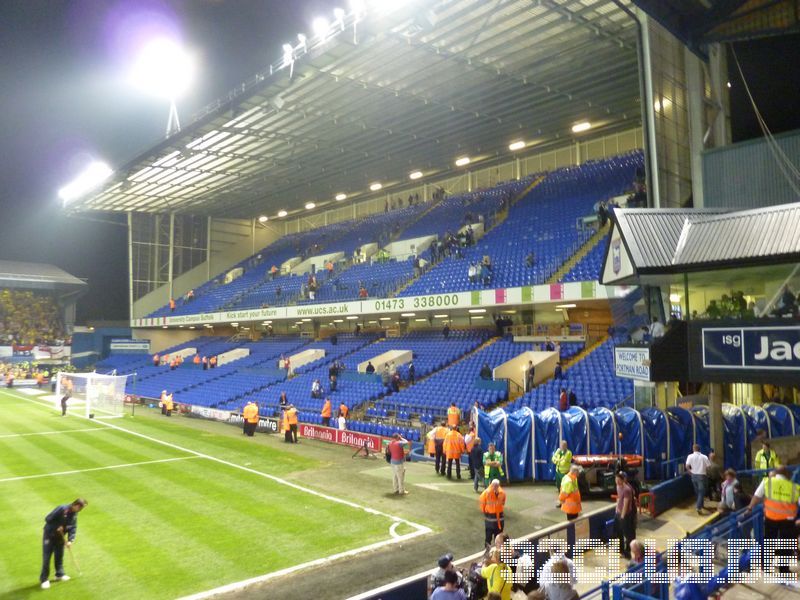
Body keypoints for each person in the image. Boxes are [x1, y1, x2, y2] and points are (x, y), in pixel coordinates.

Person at [745, 467, 800, 572]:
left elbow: (756, 496)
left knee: (769, 542)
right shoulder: (795, 487)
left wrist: (749, 508)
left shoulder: (767, 482)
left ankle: (765, 566)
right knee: (786, 545)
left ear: (776, 474)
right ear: (787, 475)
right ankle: (784, 570)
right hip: (788, 521)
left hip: (771, 518)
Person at [40, 499, 88, 589]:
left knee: (59, 556)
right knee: (46, 558)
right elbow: (48, 519)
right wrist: (57, 526)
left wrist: (70, 540)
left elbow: (73, 527)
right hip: (49, 536)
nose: (80, 510)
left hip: (60, 537)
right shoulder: (62, 508)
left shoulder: (74, 514)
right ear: (75, 504)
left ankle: (59, 574)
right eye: (80, 507)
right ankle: (44, 579)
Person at [614, 472, 636, 559]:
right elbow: (619, 499)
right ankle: (621, 550)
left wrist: (622, 516)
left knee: (628, 534)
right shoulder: (618, 487)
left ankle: (628, 553)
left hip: (626, 515)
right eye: (616, 479)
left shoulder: (627, 489)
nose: (617, 481)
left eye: (619, 480)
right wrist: (616, 510)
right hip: (618, 513)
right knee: (618, 533)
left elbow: (626, 504)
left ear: (624, 480)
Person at [480, 480, 507, 547]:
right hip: (490, 519)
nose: (495, 487)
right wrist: (485, 511)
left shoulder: (502, 493)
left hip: (499, 520)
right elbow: (482, 503)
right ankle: (487, 552)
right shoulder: (486, 493)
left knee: (498, 538)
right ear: (491, 485)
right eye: (493, 485)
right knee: (488, 538)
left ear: (498, 486)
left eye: (496, 486)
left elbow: (503, 503)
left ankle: (497, 552)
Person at [685, 444, 711, 514]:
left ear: (693, 449)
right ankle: (699, 507)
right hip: (702, 475)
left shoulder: (690, 456)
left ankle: (701, 505)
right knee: (702, 491)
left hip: (693, 475)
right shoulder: (704, 457)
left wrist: (690, 472)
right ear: (700, 449)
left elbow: (687, 466)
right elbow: (709, 467)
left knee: (697, 491)